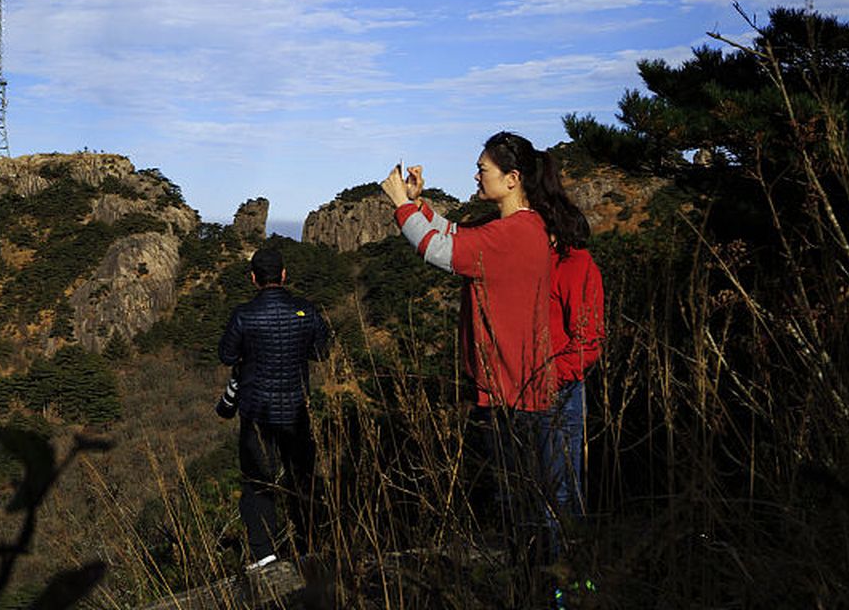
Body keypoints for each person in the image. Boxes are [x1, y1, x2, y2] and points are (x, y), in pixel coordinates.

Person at [380, 131, 588, 563]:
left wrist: (401, 205)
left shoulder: (514, 234)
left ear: (512, 178)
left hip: (514, 393)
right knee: (528, 505)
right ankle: (548, 582)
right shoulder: (521, 228)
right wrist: (420, 206)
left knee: (524, 509)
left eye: (482, 169)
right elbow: (459, 234)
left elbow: (437, 248)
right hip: (517, 389)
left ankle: (545, 586)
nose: (476, 175)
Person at [217, 244, 331, 571]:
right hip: (297, 411)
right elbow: (322, 351)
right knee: (303, 478)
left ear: (253, 279)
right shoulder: (306, 311)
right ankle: (310, 545)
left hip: (256, 412)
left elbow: (226, 355)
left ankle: (264, 553)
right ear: (283, 275)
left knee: (257, 481)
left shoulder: (244, 314)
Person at [546, 214, 604, 542]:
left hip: (560, 390)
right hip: (540, 389)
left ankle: (569, 579)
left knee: (561, 488)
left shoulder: (577, 265)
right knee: (548, 486)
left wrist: (550, 379)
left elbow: (589, 341)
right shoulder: (550, 263)